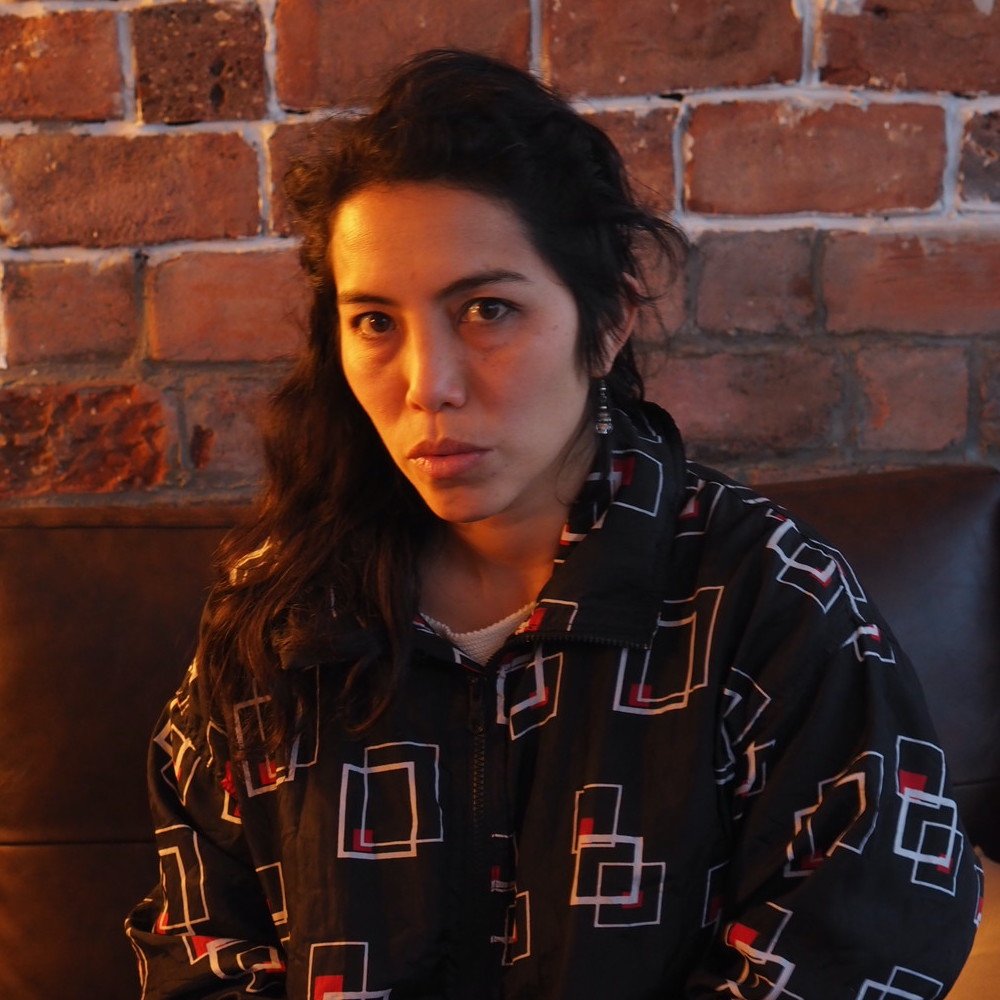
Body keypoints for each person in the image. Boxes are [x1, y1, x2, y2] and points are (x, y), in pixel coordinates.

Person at [126, 49, 981, 999]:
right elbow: (195, 946)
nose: (427, 385)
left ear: (605, 320)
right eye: (374, 322)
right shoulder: (279, 616)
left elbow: (862, 946)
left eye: (487, 310)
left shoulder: (772, 603)